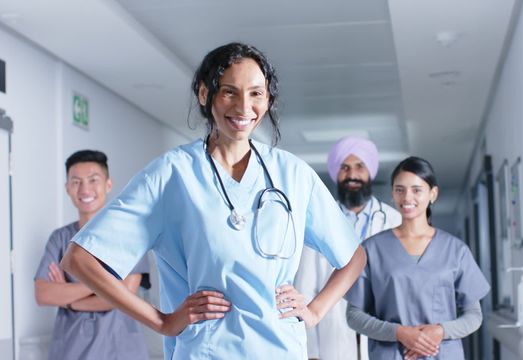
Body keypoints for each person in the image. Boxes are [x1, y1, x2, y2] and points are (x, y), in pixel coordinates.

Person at [60, 42, 366, 360]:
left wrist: (315, 311)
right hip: (206, 352)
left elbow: (353, 256)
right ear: (206, 95)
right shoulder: (171, 175)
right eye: (229, 92)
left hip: (281, 350)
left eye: (256, 93)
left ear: (268, 99)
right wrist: (162, 321)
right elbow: (79, 259)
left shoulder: (292, 173)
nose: (244, 106)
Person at [345, 156, 490, 360]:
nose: (407, 197)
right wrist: (400, 333)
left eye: (416, 189)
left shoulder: (456, 250)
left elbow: (474, 315)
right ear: (393, 194)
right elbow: (354, 316)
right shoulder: (372, 249)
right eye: (400, 189)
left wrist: (439, 331)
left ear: (433, 194)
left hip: (442, 354)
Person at [34, 150, 150, 360]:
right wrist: (106, 284)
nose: (85, 189)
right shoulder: (60, 239)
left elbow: (123, 297)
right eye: (76, 181)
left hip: (120, 349)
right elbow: (44, 294)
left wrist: (67, 298)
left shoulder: (130, 235)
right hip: (71, 348)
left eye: (93, 180)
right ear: (67, 188)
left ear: (108, 184)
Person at [294, 135, 401, 360]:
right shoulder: (318, 219)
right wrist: (311, 351)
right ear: (336, 172)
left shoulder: (394, 221)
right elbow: (306, 286)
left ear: (370, 171)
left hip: (383, 328)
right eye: (344, 167)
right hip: (332, 329)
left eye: (359, 166)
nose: (352, 175)